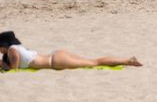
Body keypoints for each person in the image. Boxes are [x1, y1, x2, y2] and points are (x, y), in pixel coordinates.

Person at [0, 31, 141, 71]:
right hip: (56, 55)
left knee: (94, 63)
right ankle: (127, 60)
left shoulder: (12, 50)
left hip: (55, 61)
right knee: (93, 60)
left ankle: (128, 60)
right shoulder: (16, 48)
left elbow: (14, 69)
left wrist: (2, 64)